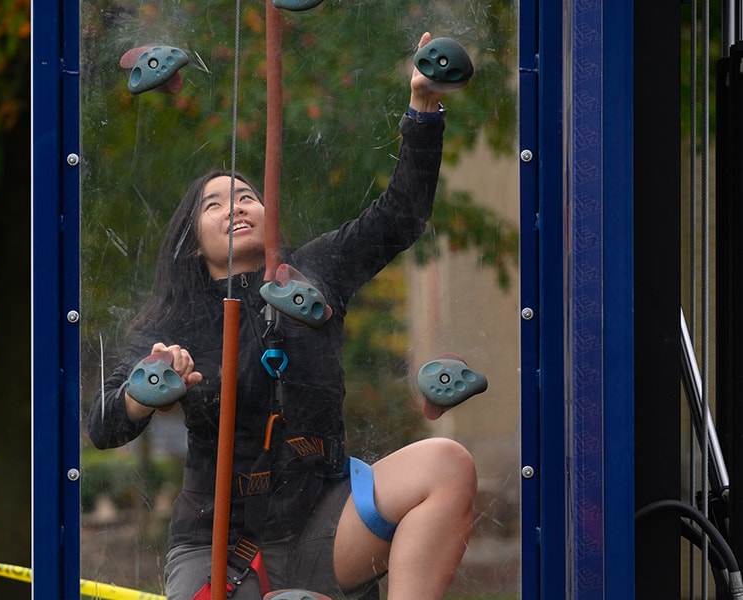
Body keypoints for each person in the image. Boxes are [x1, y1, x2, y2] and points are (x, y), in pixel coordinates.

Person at [88, 32, 477, 600]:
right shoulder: (169, 326)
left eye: (246, 196)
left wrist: (424, 107)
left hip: (327, 522)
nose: (236, 207)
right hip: (219, 545)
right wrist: (143, 393)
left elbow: (401, 216)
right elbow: (103, 424)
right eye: (214, 204)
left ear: (267, 214)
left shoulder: (315, 270)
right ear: (192, 242)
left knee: (447, 463)